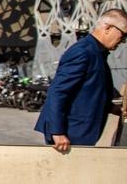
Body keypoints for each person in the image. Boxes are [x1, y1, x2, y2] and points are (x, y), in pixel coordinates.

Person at [34, 8, 126, 150]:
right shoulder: (83, 52)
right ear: (108, 28)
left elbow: (93, 89)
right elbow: (58, 91)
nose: (123, 40)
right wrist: (57, 131)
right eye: (123, 34)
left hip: (81, 131)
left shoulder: (98, 53)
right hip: (70, 132)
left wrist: (112, 107)